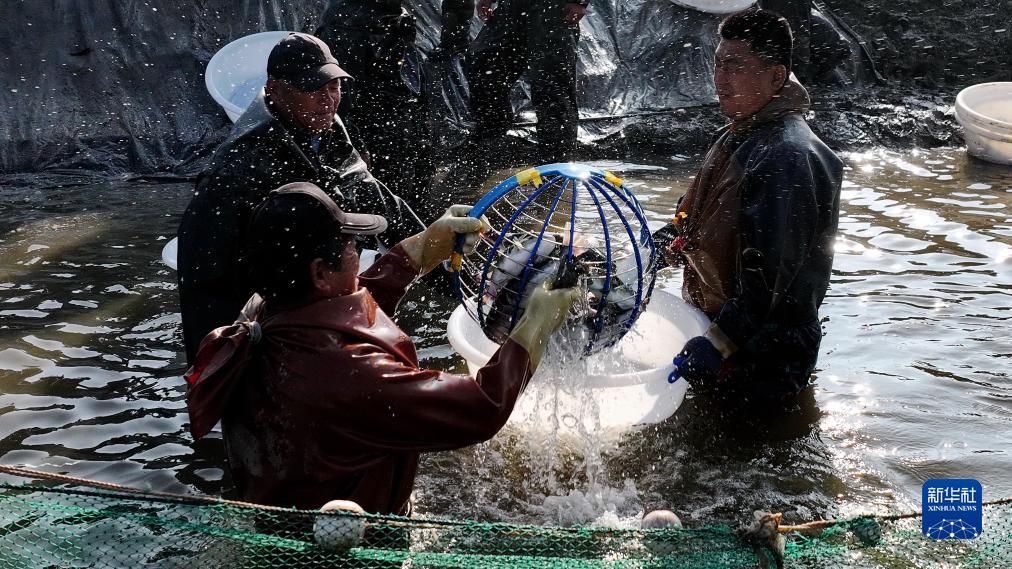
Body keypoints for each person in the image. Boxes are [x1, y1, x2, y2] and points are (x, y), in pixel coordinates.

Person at [183, 182, 580, 514]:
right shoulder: (351, 373)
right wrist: (536, 324)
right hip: (351, 547)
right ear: (320, 272)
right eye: (351, 247)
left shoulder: (261, 312)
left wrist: (422, 250)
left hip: (276, 517)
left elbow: (345, 313)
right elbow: (482, 406)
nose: (357, 254)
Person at [176, 32, 423, 364]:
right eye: (312, 89)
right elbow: (204, 279)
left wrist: (438, 248)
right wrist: (214, 368)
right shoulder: (240, 166)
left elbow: (373, 196)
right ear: (275, 89)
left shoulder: (325, 124)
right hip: (268, 308)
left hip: (316, 286)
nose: (327, 100)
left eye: (334, 87)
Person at [659, 8, 843, 409]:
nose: (720, 78)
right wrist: (641, 261)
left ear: (776, 77)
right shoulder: (740, 133)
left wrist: (718, 342)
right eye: (718, 64)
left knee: (757, 441)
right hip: (727, 331)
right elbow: (690, 223)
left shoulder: (787, 157)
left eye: (735, 66)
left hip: (767, 355)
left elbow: (767, 278)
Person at [314, 1, 439, 221]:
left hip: (401, 109)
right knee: (385, 191)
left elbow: (410, 70)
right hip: (371, 121)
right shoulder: (343, 28)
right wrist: (356, 145)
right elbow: (339, 100)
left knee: (420, 172)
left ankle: (418, 220)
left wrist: (422, 113)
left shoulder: (394, 16)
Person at [466, 0, 589, 160]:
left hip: (555, 10)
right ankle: (490, 141)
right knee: (484, 64)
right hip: (513, 8)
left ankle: (557, 161)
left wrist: (579, 2)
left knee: (552, 88)